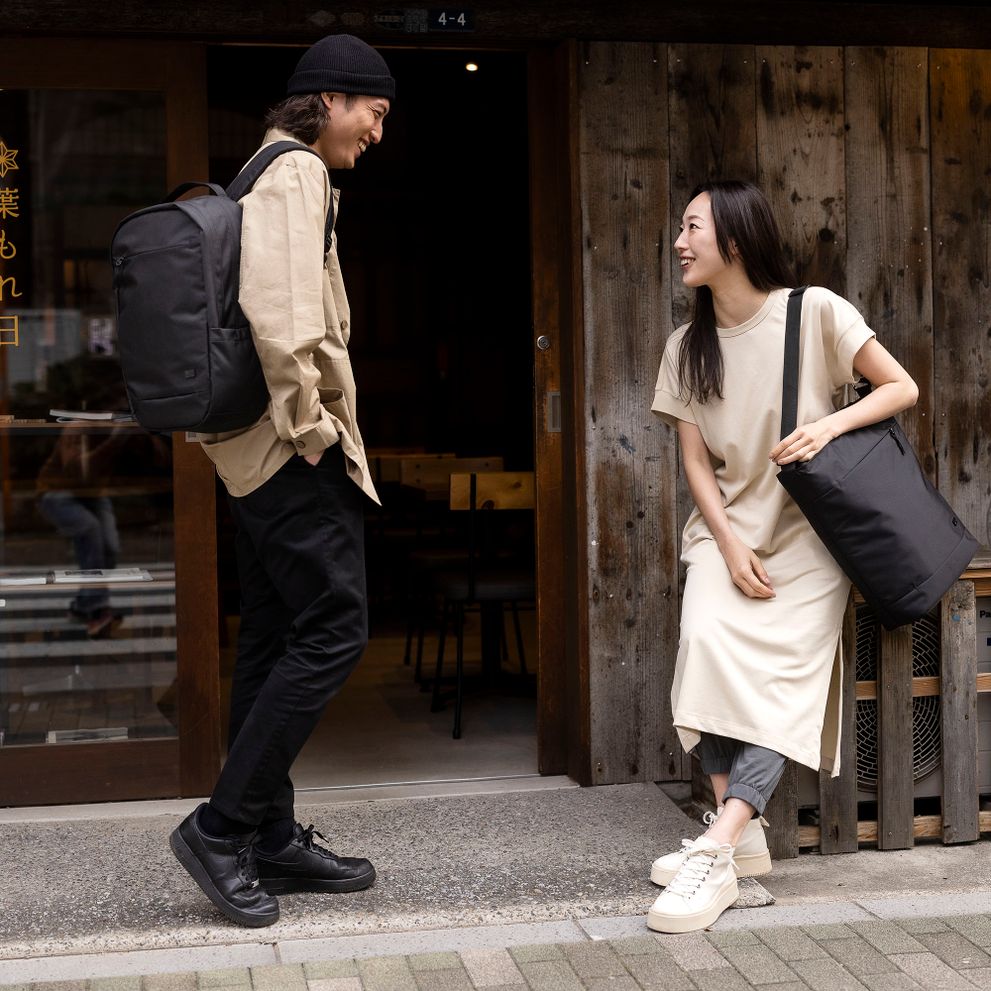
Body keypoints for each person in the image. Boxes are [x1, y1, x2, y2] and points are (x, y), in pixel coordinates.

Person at [648, 180, 918, 934]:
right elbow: (695, 464)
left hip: (812, 539)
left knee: (782, 690)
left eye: (690, 226)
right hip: (727, 530)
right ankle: (738, 842)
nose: (678, 241)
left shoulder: (815, 311)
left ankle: (719, 840)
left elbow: (900, 387)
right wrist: (727, 543)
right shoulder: (686, 345)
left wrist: (828, 428)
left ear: (733, 239)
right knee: (702, 649)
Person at [169, 34, 394, 928]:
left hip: (248, 450)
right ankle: (221, 829)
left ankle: (268, 833)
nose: (377, 134)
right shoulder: (297, 170)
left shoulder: (262, 170)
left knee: (272, 633)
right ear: (330, 100)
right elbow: (286, 308)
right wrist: (313, 431)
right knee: (336, 626)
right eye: (374, 114)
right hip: (287, 444)